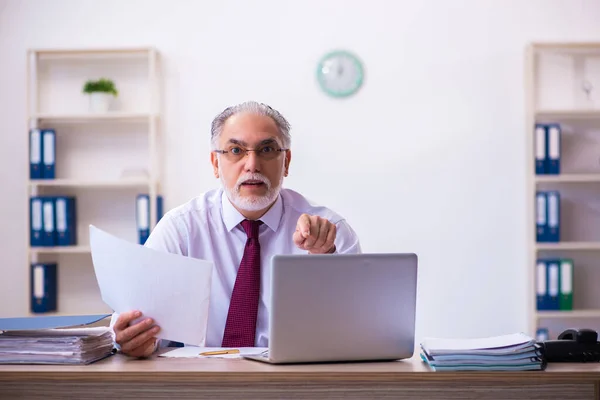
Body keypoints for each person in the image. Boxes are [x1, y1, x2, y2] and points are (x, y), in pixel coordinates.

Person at [111, 101, 361, 357]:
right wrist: (135, 338)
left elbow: (356, 331)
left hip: (295, 384)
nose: (252, 164)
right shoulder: (182, 229)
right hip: (203, 382)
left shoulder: (330, 233)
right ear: (215, 163)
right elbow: (133, 319)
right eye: (235, 150)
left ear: (286, 161)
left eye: (266, 149)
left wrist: (325, 260)